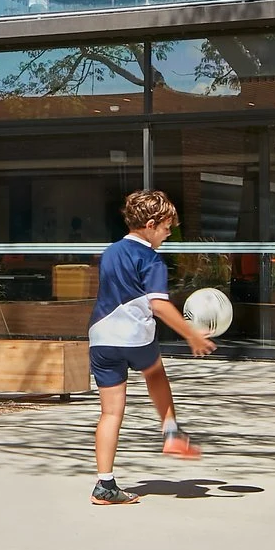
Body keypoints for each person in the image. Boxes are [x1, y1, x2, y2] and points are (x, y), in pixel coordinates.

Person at [87, 189, 213, 506]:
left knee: (110, 413)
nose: (169, 235)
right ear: (152, 224)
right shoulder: (152, 259)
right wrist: (191, 335)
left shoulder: (111, 252)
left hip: (101, 337)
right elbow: (158, 304)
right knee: (155, 373)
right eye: (168, 229)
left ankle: (104, 485)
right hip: (133, 336)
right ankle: (170, 430)